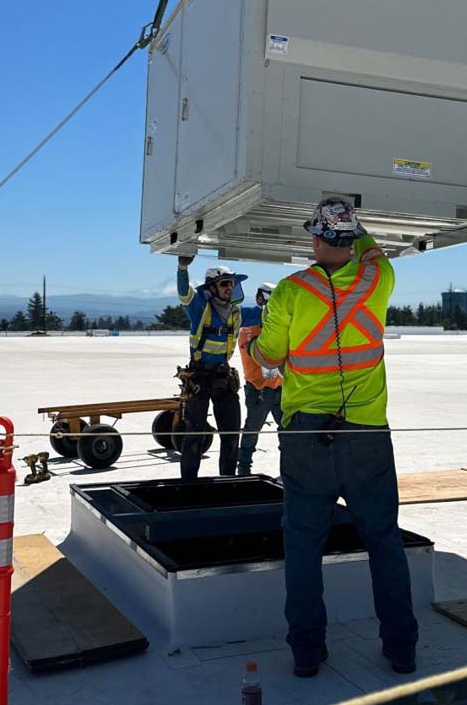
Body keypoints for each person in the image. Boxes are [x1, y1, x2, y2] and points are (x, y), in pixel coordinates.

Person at [253, 198, 418, 678]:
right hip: (367, 432)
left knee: (304, 544)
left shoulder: (290, 291)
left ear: (315, 239)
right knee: (384, 540)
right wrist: (353, 219)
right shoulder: (377, 280)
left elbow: (268, 354)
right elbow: (373, 251)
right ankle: (401, 649)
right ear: (351, 238)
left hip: (306, 435)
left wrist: (258, 342)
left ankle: (307, 652)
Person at [175, 258, 245, 479]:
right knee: (194, 435)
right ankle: (188, 484)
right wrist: (182, 269)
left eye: (231, 284)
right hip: (199, 378)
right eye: (225, 284)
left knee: (232, 433)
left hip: (223, 377)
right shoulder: (199, 309)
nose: (229, 288)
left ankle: (227, 480)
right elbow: (184, 293)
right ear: (212, 287)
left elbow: (267, 314)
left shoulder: (236, 313)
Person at [235, 282, 282, 476]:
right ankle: (244, 469)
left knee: (287, 432)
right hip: (259, 389)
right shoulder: (248, 329)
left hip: (279, 387)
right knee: (252, 430)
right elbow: (259, 357)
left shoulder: (276, 326)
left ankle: (290, 470)